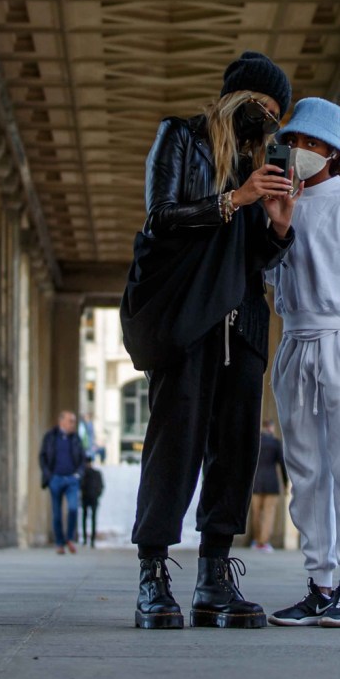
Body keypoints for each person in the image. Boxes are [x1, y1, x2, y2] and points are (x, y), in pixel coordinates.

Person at [121, 50, 299, 630]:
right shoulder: (181, 137)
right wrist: (235, 199)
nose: (266, 122)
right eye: (260, 108)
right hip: (190, 322)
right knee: (174, 446)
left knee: (237, 450)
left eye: (275, 117)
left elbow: (254, 259)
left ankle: (214, 577)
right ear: (234, 97)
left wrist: (276, 224)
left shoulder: (256, 164)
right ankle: (153, 575)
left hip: (243, 323)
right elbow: (161, 217)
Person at [265, 97, 340, 628]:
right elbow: (273, 279)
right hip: (295, 341)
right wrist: (278, 227)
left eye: (313, 144)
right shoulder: (279, 203)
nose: (301, 151)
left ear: (333, 153)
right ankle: (318, 582)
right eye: (294, 141)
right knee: (305, 467)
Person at [39, 411, 85, 554]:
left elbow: (82, 458)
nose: (73, 424)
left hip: (72, 479)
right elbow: (43, 456)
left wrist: (78, 474)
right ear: (62, 422)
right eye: (71, 421)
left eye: (74, 421)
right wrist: (49, 476)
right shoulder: (50, 437)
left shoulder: (76, 438)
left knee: (73, 508)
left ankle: (69, 538)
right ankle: (59, 543)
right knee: (57, 513)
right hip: (56, 479)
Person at [250, 419, 288, 551]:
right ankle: (263, 542)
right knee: (268, 514)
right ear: (271, 428)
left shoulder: (256, 442)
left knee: (256, 514)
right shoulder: (275, 443)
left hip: (256, 483)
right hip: (271, 484)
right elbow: (282, 465)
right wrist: (285, 483)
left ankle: (256, 540)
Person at [81, 456, 104, 547]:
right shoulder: (84, 474)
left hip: (93, 497)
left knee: (92, 518)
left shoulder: (95, 473)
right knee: (85, 518)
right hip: (86, 497)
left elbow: (101, 485)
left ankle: (91, 540)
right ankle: (85, 539)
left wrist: (97, 493)